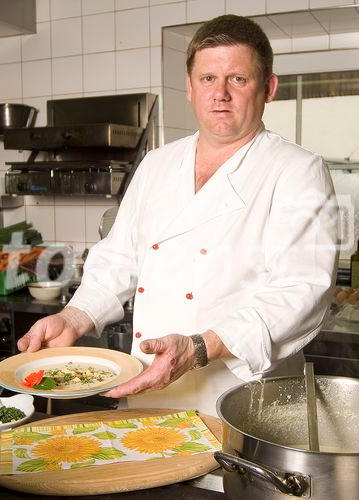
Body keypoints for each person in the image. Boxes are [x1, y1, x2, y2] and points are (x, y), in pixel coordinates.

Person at [18, 15, 339, 416]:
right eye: (207, 79)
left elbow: (301, 291)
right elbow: (119, 256)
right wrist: (75, 316)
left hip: (242, 398)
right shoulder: (157, 164)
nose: (220, 94)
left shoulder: (297, 170)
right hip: (151, 386)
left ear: (269, 88)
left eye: (238, 79)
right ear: (189, 87)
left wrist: (200, 347)